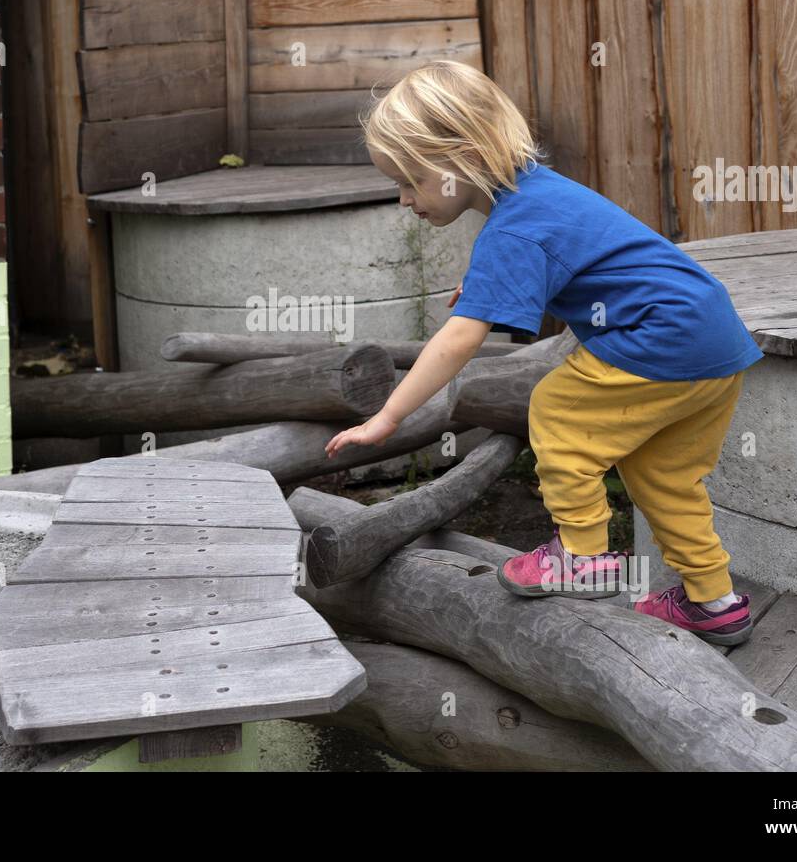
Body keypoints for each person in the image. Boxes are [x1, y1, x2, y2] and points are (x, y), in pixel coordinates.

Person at [323, 60, 763, 646]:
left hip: (659, 337)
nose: (404, 199)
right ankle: (715, 602)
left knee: (556, 407)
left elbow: (459, 337)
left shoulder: (513, 228)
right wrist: (486, 285)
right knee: (666, 476)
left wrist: (388, 416)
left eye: (410, 181)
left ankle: (581, 555)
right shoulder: (540, 196)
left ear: (461, 160)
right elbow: (576, 259)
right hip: (712, 341)